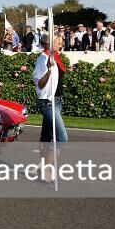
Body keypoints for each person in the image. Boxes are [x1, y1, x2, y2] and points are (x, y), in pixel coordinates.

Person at [32, 33, 68, 182]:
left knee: (46, 137)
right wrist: (48, 69)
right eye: (58, 42)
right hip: (48, 102)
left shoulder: (55, 58)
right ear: (49, 44)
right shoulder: (43, 58)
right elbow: (39, 83)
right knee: (61, 137)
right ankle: (46, 170)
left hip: (56, 101)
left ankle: (42, 167)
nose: (61, 45)